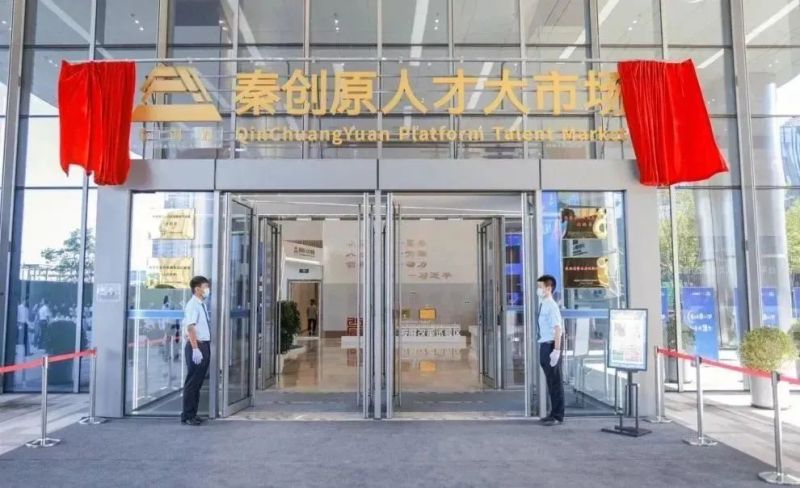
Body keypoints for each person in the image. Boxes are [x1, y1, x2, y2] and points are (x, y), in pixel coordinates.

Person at [181, 276, 212, 426]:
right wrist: (195, 349)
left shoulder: (201, 305)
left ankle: (193, 413)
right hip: (196, 345)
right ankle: (187, 415)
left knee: (198, 382)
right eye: (205, 287)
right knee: (192, 382)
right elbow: (190, 327)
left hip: (203, 345)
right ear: (197, 289)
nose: (207, 290)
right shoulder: (193, 305)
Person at [537, 274, 564, 426]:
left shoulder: (552, 306)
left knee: (555, 382)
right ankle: (553, 413)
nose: (538, 289)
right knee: (551, 381)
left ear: (549, 288)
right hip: (544, 344)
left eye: (540, 287)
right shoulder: (544, 303)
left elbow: (557, 329)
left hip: (551, 345)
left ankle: (558, 415)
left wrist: (557, 351)